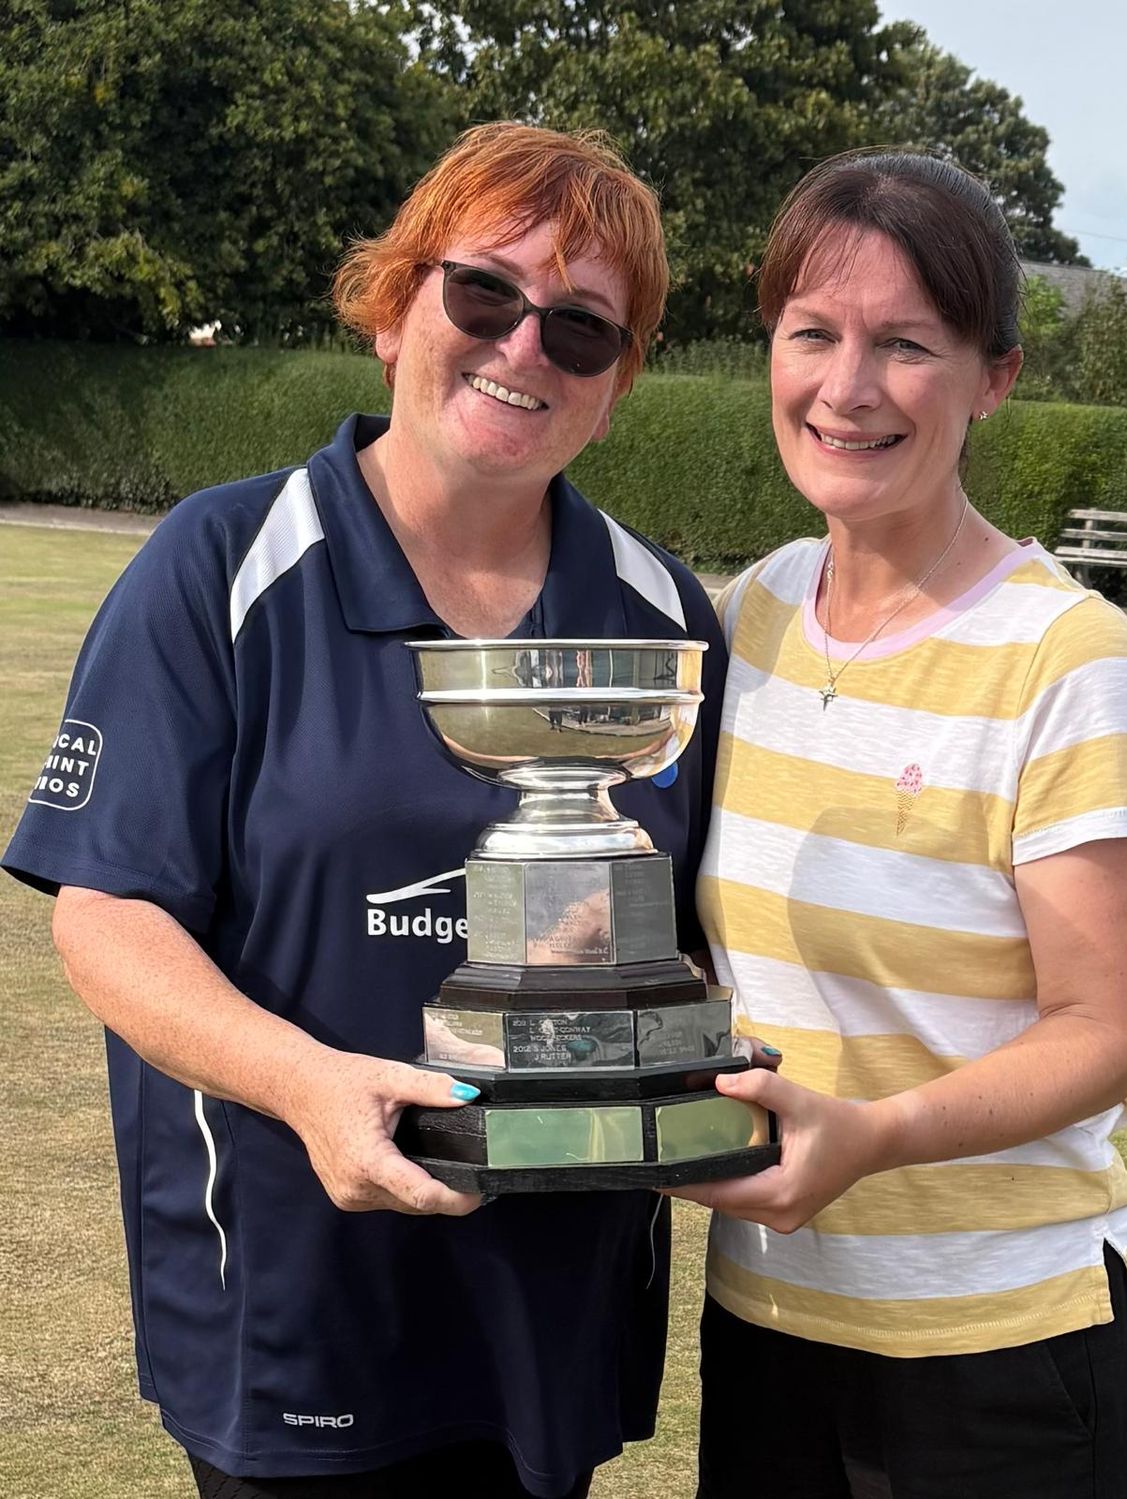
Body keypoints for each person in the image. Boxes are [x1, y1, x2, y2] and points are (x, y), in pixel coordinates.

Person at [2, 122, 728, 1499]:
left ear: (615, 387)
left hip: (546, 1306)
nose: (525, 350)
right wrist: (308, 1087)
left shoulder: (663, 618)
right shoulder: (217, 563)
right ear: (397, 306)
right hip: (294, 1295)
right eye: (485, 295)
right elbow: (107, 911)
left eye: (583, 332)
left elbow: (699, 933)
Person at [672, 152, 1127, 1498]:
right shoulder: (749, 615)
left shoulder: (1068, 658)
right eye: (813, 334)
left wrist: (877, 1137)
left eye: (905, 345)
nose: (847, 388)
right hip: (772, 1323)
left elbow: (1104, 1033)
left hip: (1007, 1351)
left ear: (991, 378)